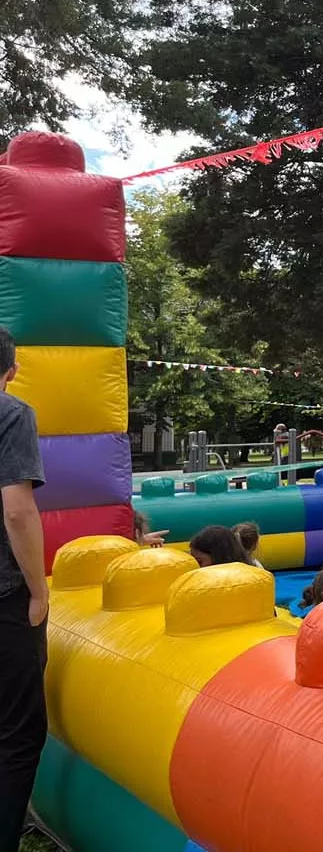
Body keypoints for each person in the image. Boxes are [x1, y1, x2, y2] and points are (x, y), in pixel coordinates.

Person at [0, 327, 47, 850]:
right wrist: (38, 590)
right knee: (18, 732)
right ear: (11, 371)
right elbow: (16, 510)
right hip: (5, 593)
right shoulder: (11, 413)